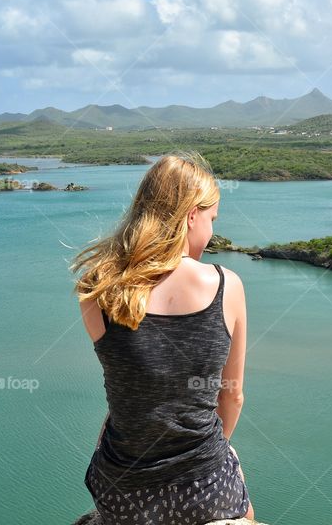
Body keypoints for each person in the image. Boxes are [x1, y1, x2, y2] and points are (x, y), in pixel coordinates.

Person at [72, 151, 255, 524]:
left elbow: (134, 387)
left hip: (121, 490)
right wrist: (212, 457)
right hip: (205, 491)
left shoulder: (97, 288)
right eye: (211, 219)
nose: (211, 232)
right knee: (246, 513)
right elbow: (232, 395)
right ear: (191, 216)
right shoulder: (226, 285)